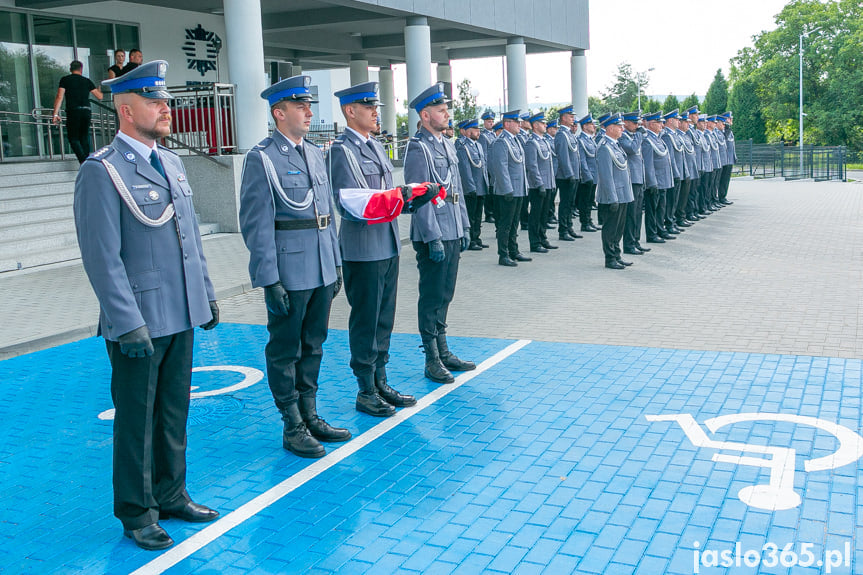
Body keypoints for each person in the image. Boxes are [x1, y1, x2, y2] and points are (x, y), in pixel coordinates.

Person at [74, 60, 220, 551]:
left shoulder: (172, 163)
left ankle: (171, 493)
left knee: (174, 411)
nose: (166, 109)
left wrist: (206, 294)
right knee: (136, 421)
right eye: (156, 102)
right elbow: (102, 256)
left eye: (165, 101)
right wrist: (125, 321)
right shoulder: (103, 170)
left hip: (179, 311)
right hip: (138, 319)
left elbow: (190, 241)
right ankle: (137, 513)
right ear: (126, 108)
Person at [239, 75, 349, 459]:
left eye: (309, 106)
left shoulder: (315, 152)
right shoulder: (263, 158)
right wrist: (269, 280)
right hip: (289, 269)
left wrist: (335, 264)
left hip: (320, 265)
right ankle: (292, 424)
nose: (308, 112)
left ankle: (310, 412)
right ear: (278, 112)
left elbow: (327, 215)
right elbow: (255, 224)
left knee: (314, 344)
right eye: (300, 106)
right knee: (285, 349)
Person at [327, 81, 439, 419]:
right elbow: (352, 203)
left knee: (384, 319)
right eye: (369, 106)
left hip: (387, 243)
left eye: (376, 106)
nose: (377, 112)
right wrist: (399, 196)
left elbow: (387, 195)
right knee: (366, 319)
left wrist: (412, 198)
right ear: (351, 111)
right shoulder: (342, 151)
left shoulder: (375, 146)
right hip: (362, 248)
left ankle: (381, 379)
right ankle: (365, 389)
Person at [404, 82, 474, 383]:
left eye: (446, 110)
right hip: (434, 231)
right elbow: (418, 197)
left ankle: (443, 349)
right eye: (441, 110)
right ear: (425, 115)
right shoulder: (418, 148)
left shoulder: (447, 144)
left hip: (453, 227)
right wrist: (432, 236)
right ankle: (431, 357)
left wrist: (466, 225)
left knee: (446, 293)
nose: (446, 115)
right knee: (432, 295)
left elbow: (455, 188)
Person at [490, 109, 530, 267]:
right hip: (508, 190)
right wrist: (507, 189)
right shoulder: (501, 141)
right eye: (516, 122)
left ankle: (514, 250)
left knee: (515, 222)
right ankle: (503, 254)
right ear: (507, 124)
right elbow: (500, 167)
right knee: (505, 224)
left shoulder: (515, 140)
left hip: (518, 188)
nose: (520, 124)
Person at [595, 114, 634, 269]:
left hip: (622, 194)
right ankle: (610, 258)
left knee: (619, 228)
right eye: (619, 126)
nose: (622, 129)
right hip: (613, 196)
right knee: (610, 228)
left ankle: (617, 254)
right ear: (610, 128)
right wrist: (612, 198)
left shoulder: (615, 145)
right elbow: (606, 176)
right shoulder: (604, 147)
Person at [52, 60, 103, 163]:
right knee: (84, 137)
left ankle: (84, 162)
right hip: (86, 111)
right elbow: (99, 96)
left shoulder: (65, 80)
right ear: (81, 69)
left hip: (73, 111)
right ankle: (87, 162)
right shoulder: (86, 81)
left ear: (70, 69)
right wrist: (99, 89)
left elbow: (59, 96)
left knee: (73, 138)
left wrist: (55, 114)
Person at [523, 112, 557, 253]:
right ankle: (535, 242)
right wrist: (539, 183)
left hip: (548, 183)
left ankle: (543, 238)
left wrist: (551, 183)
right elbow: (532, 165)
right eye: (543, 123)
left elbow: (549, 164)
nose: (545, 125)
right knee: (536, 215)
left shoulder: (543, 141)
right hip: (538, 185)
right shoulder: (532, 143)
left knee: (544, 214)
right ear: (535, 126)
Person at [641, 111, 675, 243]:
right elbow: (648, 164)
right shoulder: (647, 140)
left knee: (661, 207)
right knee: (652, 209)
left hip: (663, 180)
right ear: (651, 124)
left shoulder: (657, 138)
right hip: (655, 181)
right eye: (659, 122)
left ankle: (661, 229)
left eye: (662, 122)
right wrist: (652, 182)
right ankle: (652, 234)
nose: (662, 124)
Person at [455, 118, 489, 251]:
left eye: (478, 130)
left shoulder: (478, 145)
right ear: (467, 132)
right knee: (471, 216)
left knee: (478, 215)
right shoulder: (462, 146)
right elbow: (465, 169)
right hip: (471, 188)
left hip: (481, 186)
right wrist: (470, 187)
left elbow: (483, 166)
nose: (478, 132)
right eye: (475, 130)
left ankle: (477, 238)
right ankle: (470, 240)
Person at [619, 111, 649, 255]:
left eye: (638, 123)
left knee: (638, 213)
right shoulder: (623, 137)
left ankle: (636, 241)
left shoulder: (632, 136)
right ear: (626, 123)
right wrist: (639, 134)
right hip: (631, 180)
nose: (638, 126)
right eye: (635, 123)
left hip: (638, 179)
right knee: (631, 214)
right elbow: (632, 149)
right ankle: (629, 244)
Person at [553, 105, 582, 242]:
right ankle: (563, 230)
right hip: (565, 176)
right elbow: (563, 156)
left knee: (570, 203)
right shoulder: (561, 134)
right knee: (565, 203)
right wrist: (570, 174)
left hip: (573, 175)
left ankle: (569, 227)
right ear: (563, 118)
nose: (573, 119)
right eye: (570, 117)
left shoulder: (569, 133)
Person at [660, 109, 684, 236]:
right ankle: (669, 223)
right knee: (670, 201)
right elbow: (670, 158)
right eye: (676, 119)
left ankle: (672, 221)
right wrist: (675, 173)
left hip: (678, 172)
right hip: (674, 173)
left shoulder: (674, 135)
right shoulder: (667, 136)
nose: (679, 121)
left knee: (674, 200)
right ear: (670, 120)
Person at [576, 114, 599, 232]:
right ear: (584, 126)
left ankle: (589, 220)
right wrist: (587, 175)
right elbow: (582, 160)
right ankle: (584, 223)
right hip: (587, 176)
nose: (594, 126)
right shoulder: (581, 140)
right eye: (591, 124)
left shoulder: (591, 140)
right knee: (584, 201)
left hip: (594, 175)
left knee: (590, 200)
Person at [479, 110, 497, 223]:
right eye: (489, 121)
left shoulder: (494, 134)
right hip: (488, 167)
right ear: (484, 123)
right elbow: (484, 153)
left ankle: (494, 212)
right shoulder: (483, 136)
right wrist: (485, 169)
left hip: (495, 167)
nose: (491, 123)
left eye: (492, 121)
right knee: (489, 192)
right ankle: (489, 213)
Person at [544, 119, 559, 228]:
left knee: (552, 196)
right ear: (548, 129)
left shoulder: (553, 140)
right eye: (554, 128)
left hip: (555, 171)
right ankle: (549, 216)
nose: (556, 130)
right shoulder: (547, 140)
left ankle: (551, 215)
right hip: (551, 172)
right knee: (549, 198)